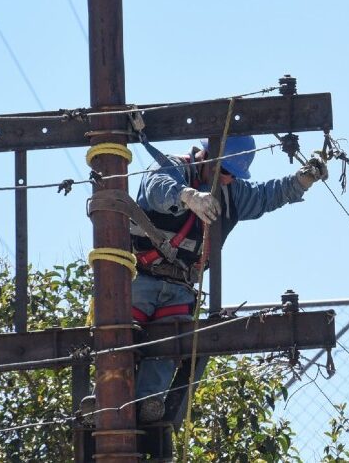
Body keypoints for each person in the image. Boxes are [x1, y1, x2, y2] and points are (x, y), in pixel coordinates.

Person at [128, 135, 328, 422]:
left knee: (169, 343)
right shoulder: (172, 168)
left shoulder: (231, 191)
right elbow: (157, 189)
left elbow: (266, 195)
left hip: (180, 287)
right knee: (122, 337)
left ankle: (147, 405)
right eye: (223, 170)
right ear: (207, 156)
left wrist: (303, 179)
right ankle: (108, 401)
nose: (227, 179)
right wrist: (188, 196)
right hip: (140, 279)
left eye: (233, 175)